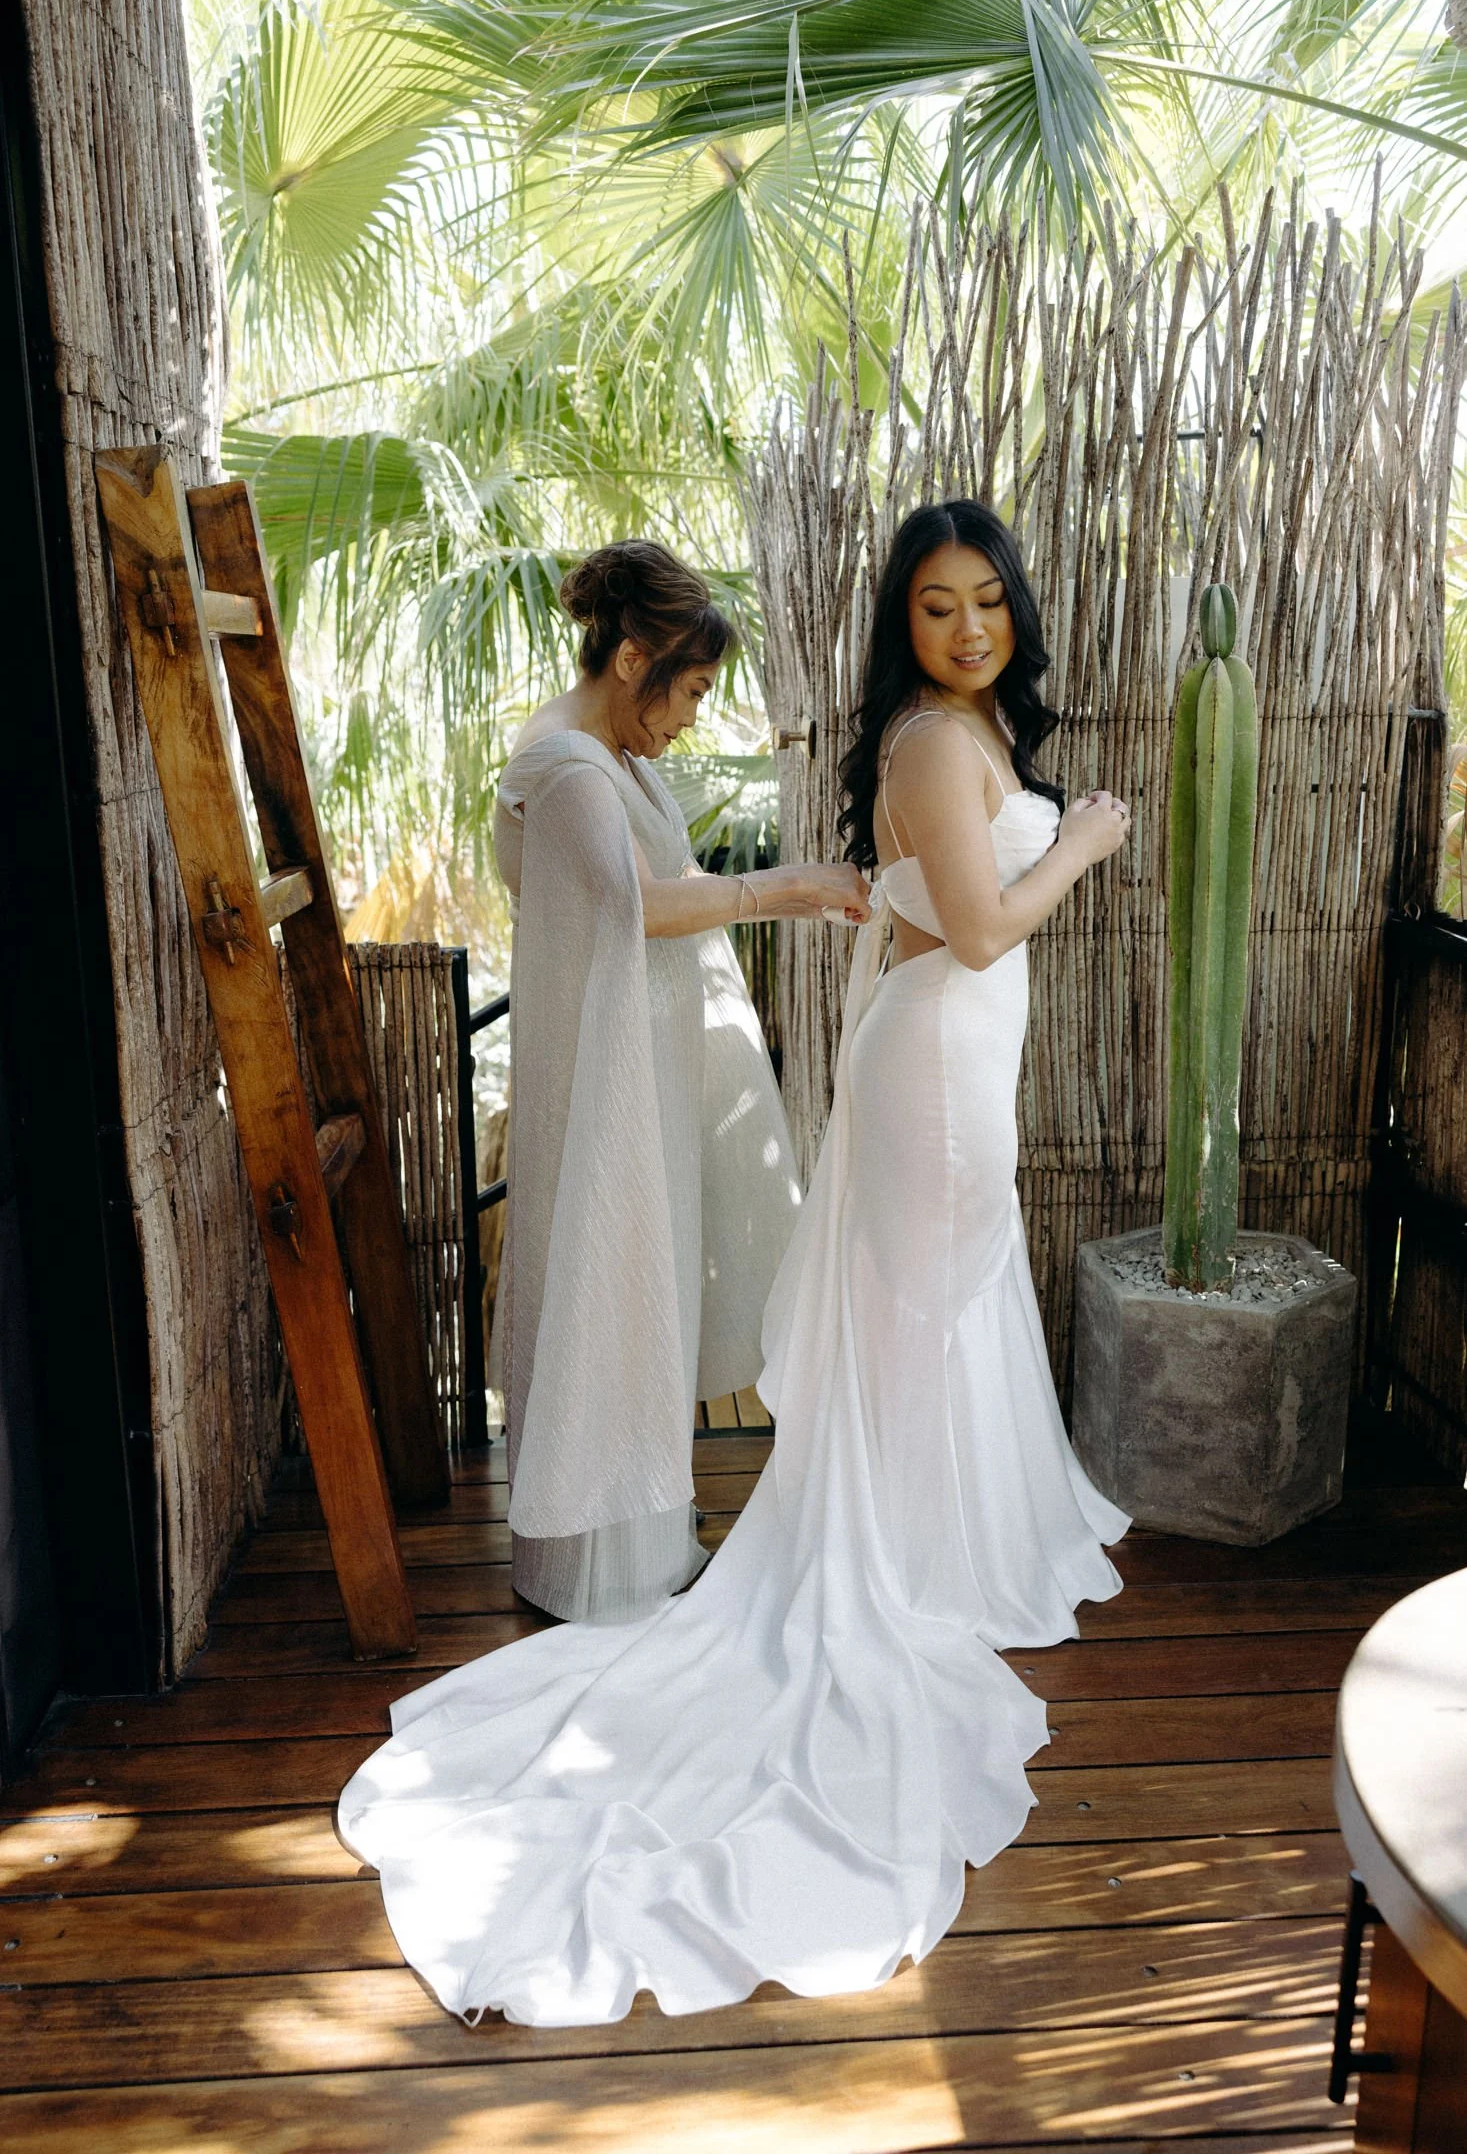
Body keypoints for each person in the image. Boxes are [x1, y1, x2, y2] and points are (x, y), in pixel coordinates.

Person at [338, 500, 1131, 2028]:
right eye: (933, 609)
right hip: (920, 1052)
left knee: (943, 1299)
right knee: (915, 1306)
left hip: (946, 1059)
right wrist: (1083, 844)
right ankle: (889, 1554)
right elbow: (972, 932)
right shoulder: (904, 748)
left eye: (985, 603)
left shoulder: (927, 737)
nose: (966, 630)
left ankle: (931, 1533)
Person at [487, 541, 869, 1623]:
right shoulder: (565, 770)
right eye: (691, 688)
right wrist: (785, 886)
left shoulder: (615, 754)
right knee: (608, 1287)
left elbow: (661, 883)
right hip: (600, 1084)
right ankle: (591, 1565)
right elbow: (636, 905)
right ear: (631, 656)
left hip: (635, 1071)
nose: (693, 715)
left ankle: (643, 1535)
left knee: (637, 1286)